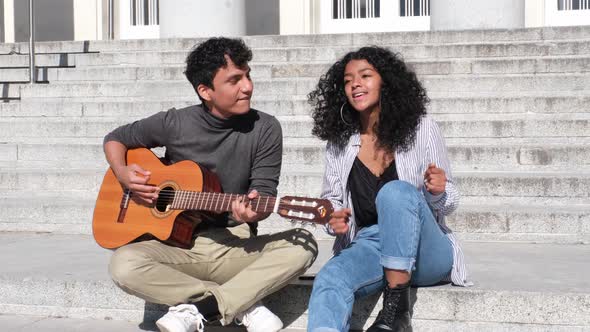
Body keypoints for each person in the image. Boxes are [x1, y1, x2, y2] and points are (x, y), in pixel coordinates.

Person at [103, 37, 318, 332]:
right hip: (175, 246)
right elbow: (115, 138)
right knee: (123, 266)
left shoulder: (266, 128)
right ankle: (242, 302)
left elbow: (264, 193)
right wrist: (123, 172)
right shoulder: (175, 123)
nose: (248, 86)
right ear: (205, 91)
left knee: (303, 244)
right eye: (234, 80)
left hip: (233, 242)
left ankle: (203, 308)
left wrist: (253, 213)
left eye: (248, 75)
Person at [305, 46, 470, 332]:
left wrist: (438, 191)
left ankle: (396, 312)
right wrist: (333, 219)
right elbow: (331, 200)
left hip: (424, 248)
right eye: (347, 80)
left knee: (395, 192)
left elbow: (451, 201)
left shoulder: (423, 128)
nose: (355, 84)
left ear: (386, 82)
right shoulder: (340, 142)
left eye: (365, 76)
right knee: (330, 277)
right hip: (372, 243)